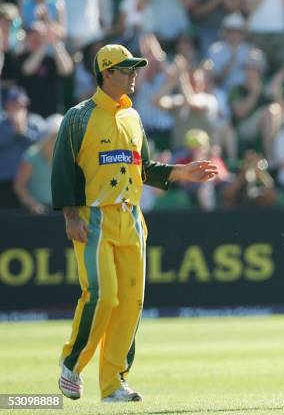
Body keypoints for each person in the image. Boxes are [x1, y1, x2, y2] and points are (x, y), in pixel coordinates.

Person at [52, 43, 218, 402]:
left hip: (131, 218)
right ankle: (72, 363)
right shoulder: (78, 117)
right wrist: (70, 215)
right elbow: (62, 169)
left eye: (134, 69)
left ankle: (114, 384)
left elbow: (143, 170)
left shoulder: (133, 117)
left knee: (131, 302)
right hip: (93, 217)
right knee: (103, 295)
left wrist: (181, 172)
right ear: (106, 73)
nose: (134, 75)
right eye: (126, 70)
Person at [0, 86, 46, 208]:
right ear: (6, 106)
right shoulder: (1, 123)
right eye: (12, 105)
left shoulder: (36, 122)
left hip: (30, 181)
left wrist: (24, 132)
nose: (16, 109)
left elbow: (43, 147)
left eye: (20, 105)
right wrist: (13, 131)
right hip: (5, 182)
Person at [13, 113, 63, 214]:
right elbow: (19, 186)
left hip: (61, 211)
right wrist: (33, 204)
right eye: (53, 136)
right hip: (36, 213)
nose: (56, 140)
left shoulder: (66, 156)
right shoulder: (32, 156)